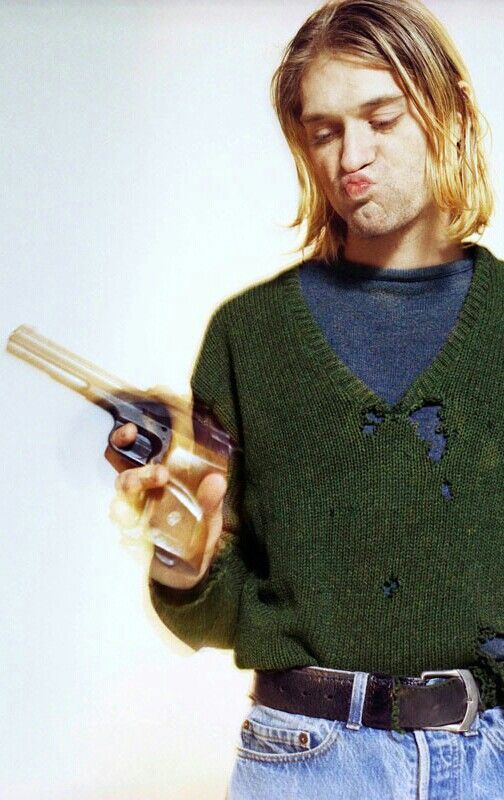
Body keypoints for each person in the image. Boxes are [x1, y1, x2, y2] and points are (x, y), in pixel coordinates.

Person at [107, 0, 504, 796]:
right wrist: (184, 558)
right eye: (324, 132)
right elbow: (221, 607)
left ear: (452, 113)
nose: (352, 155)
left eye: (381, 119)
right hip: (308, 762)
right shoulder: (248, 337)